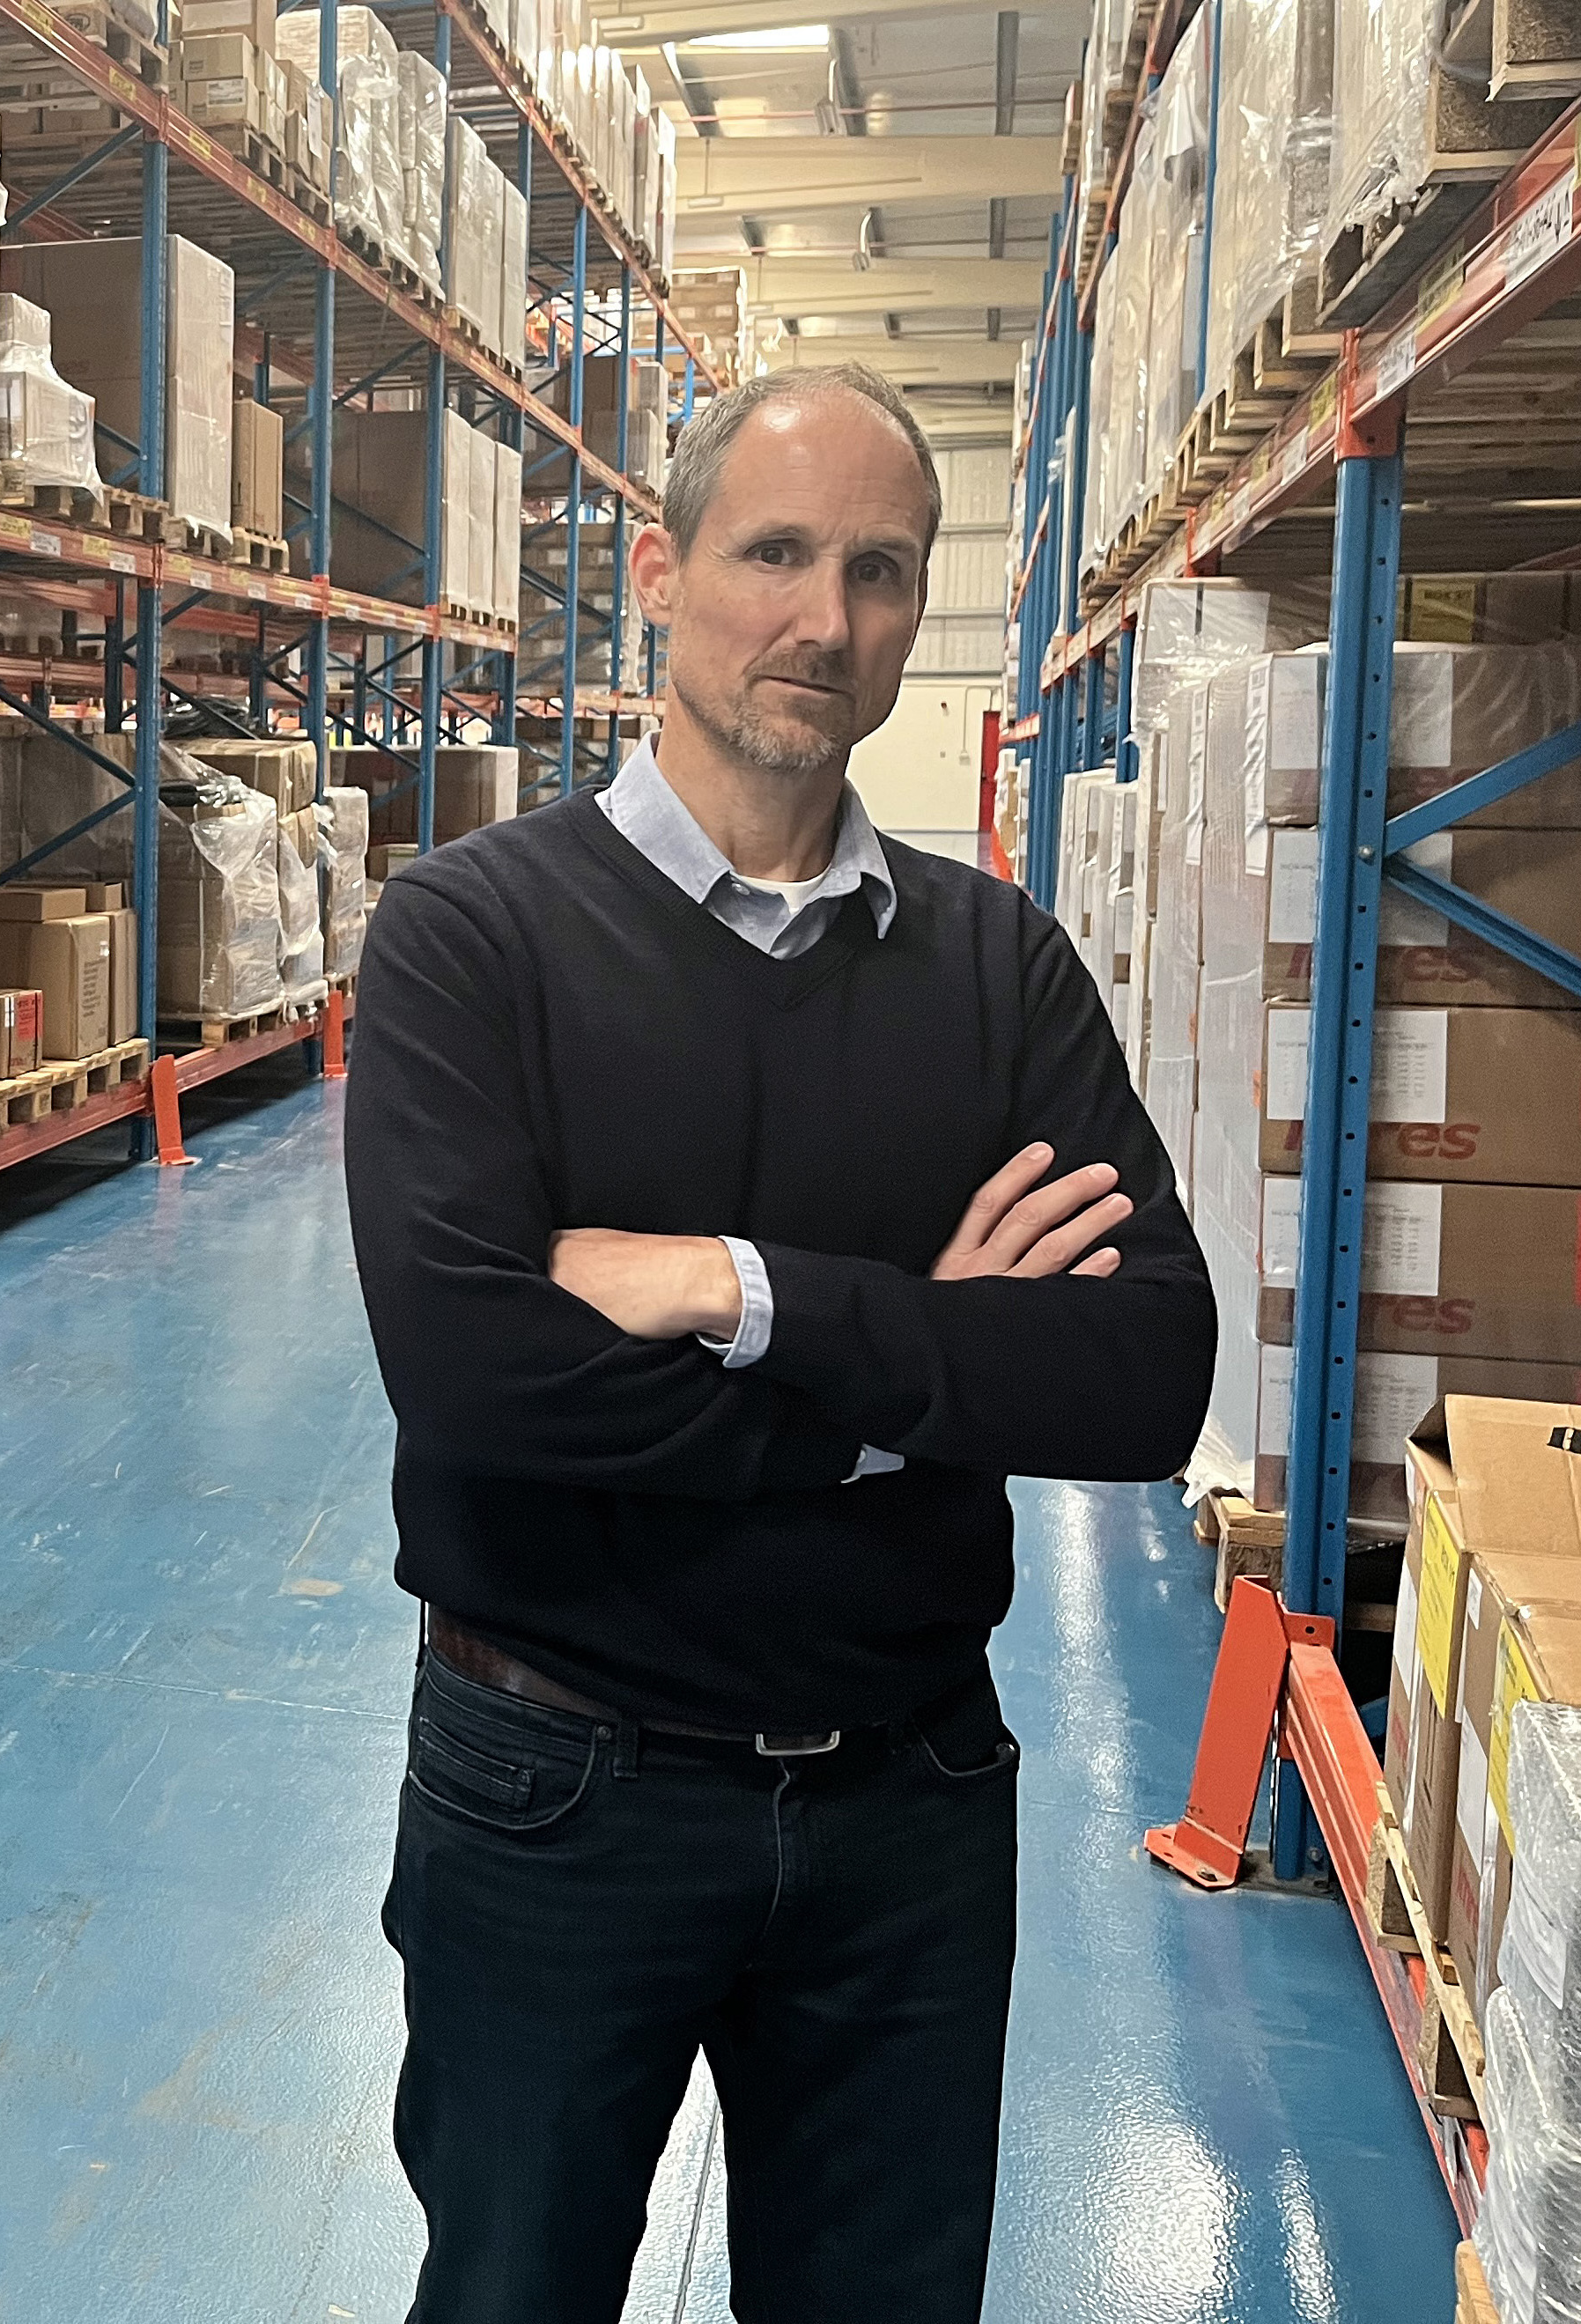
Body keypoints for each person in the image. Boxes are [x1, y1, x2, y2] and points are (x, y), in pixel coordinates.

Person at [343, 363, 1215, 2323]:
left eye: (880, 571)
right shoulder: (469, 939)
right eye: (773, 554)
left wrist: (747, 1295)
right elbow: (482, 1388)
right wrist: (923, 1372)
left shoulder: (996, 968)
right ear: (657, 572)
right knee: (511, 2293)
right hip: (557, 1787)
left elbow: (1142, 1374)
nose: (823, 622)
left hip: (907, 1799)